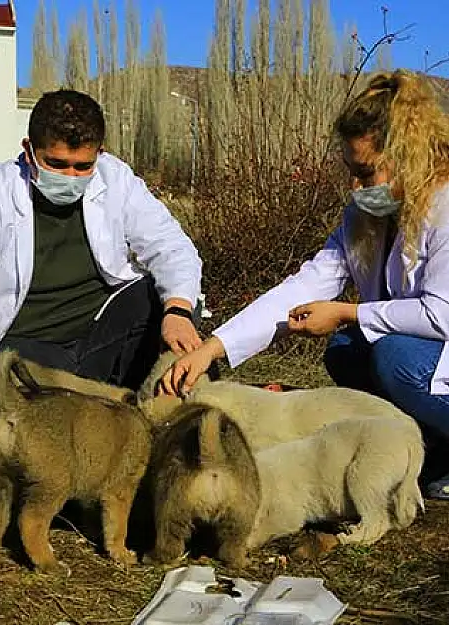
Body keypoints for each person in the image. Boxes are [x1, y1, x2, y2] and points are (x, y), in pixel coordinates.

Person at [161, 70, 449, 498]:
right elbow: (305, 285)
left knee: (392, 355)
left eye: (366, 173)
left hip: (431, 347)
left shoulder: (444, 206)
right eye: (351, 171)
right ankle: (428, 452)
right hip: (422, 347)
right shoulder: (366, 218)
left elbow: (441, 312)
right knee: (348, 350)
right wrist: (211, 348)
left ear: (406, 156)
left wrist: (349, 312)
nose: (356, 186)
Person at [0, 89, 204, 389]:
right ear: (29, 150)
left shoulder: (116, 179)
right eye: (56, 164)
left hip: (98, 339)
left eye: (82, 166)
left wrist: (177, 312)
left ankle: (126, 406)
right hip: (24, 348)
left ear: (100, 154)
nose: (70, 176)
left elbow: (171, 247)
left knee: (169, 299)